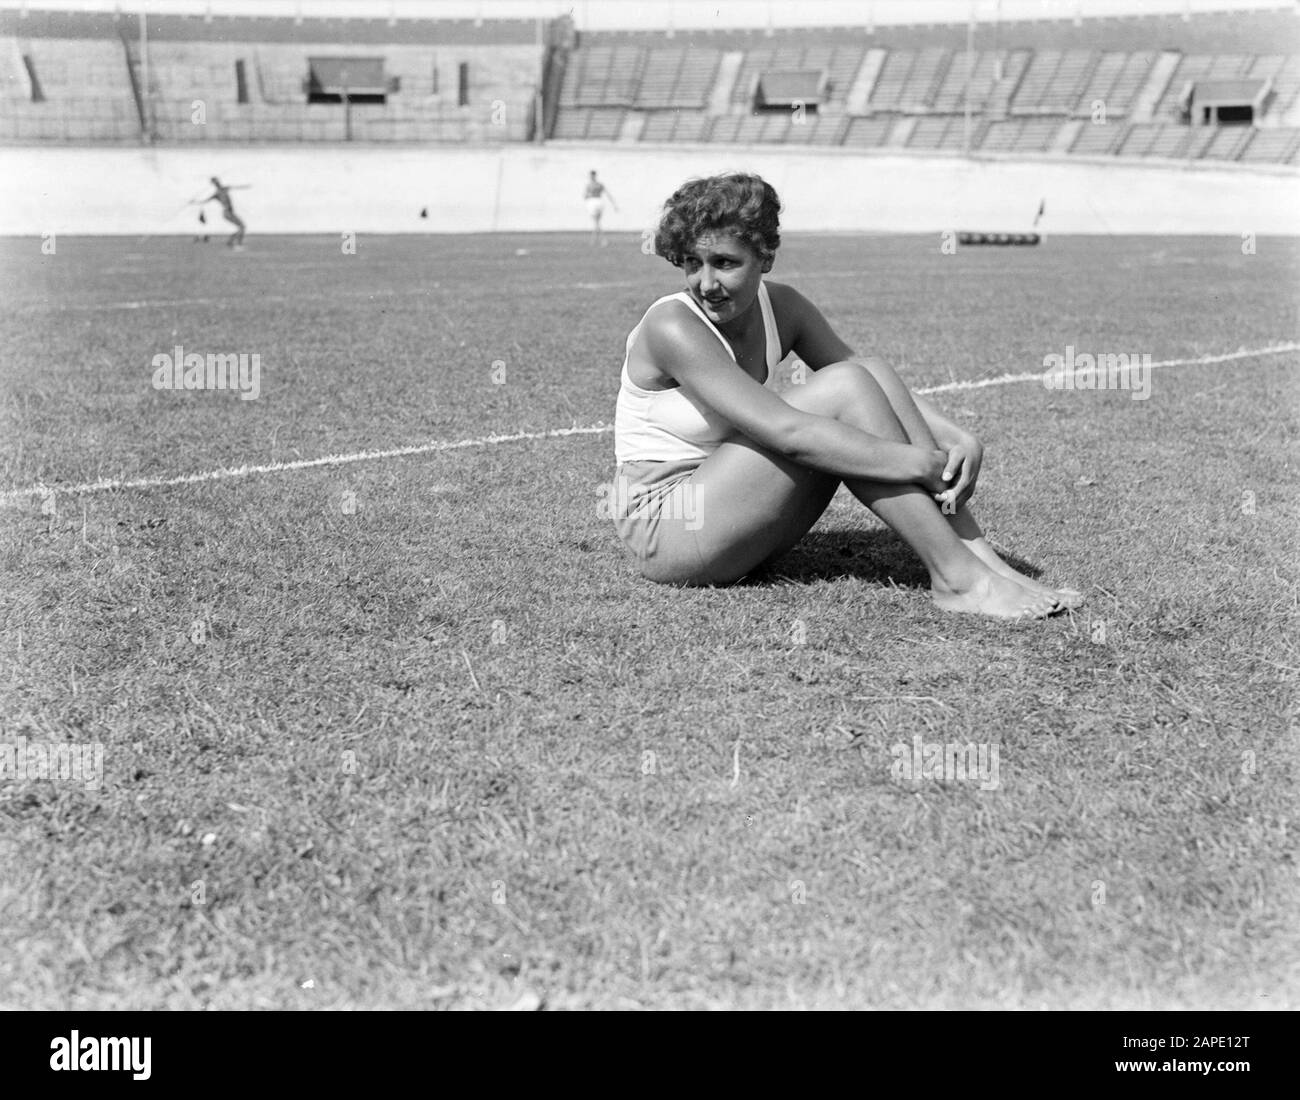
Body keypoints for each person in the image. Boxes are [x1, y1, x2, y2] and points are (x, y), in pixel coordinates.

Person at [611, 173, 1083, 619]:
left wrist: (954, 436)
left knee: (866, 372)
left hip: (736, 512)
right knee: (845, 387)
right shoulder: (672, 325)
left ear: (766, 257)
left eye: (725, 263)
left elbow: (868, 376)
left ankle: (981, 561)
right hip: (669, 527)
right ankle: (959, 580)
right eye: (692, 263)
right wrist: (918, 462)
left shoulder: (784, 307)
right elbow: (787, 432)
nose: (706, 283)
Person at [200, 177, 249, 249]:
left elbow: (236, 187)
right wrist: (193, 202)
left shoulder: (225, 188)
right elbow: (205, 201)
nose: (217, 183)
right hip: (227, 213)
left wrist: (246, 186)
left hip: (230, 212)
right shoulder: (216, 194)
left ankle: (230, 242)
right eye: (215, 182)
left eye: (217, 181)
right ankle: (238, 245)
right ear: (214, 184)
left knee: (241, 227)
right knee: (242, 227)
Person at [584, 170, 617, 246]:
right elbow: (608, 194)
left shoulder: (591, 185)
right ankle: (594, 240)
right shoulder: (597, 185)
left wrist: (614, 205)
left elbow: (585, 196)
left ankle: (602, 240)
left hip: (594, 202)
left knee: (596, 222)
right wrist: (614, 205)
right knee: (597, 222)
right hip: (598, 202)